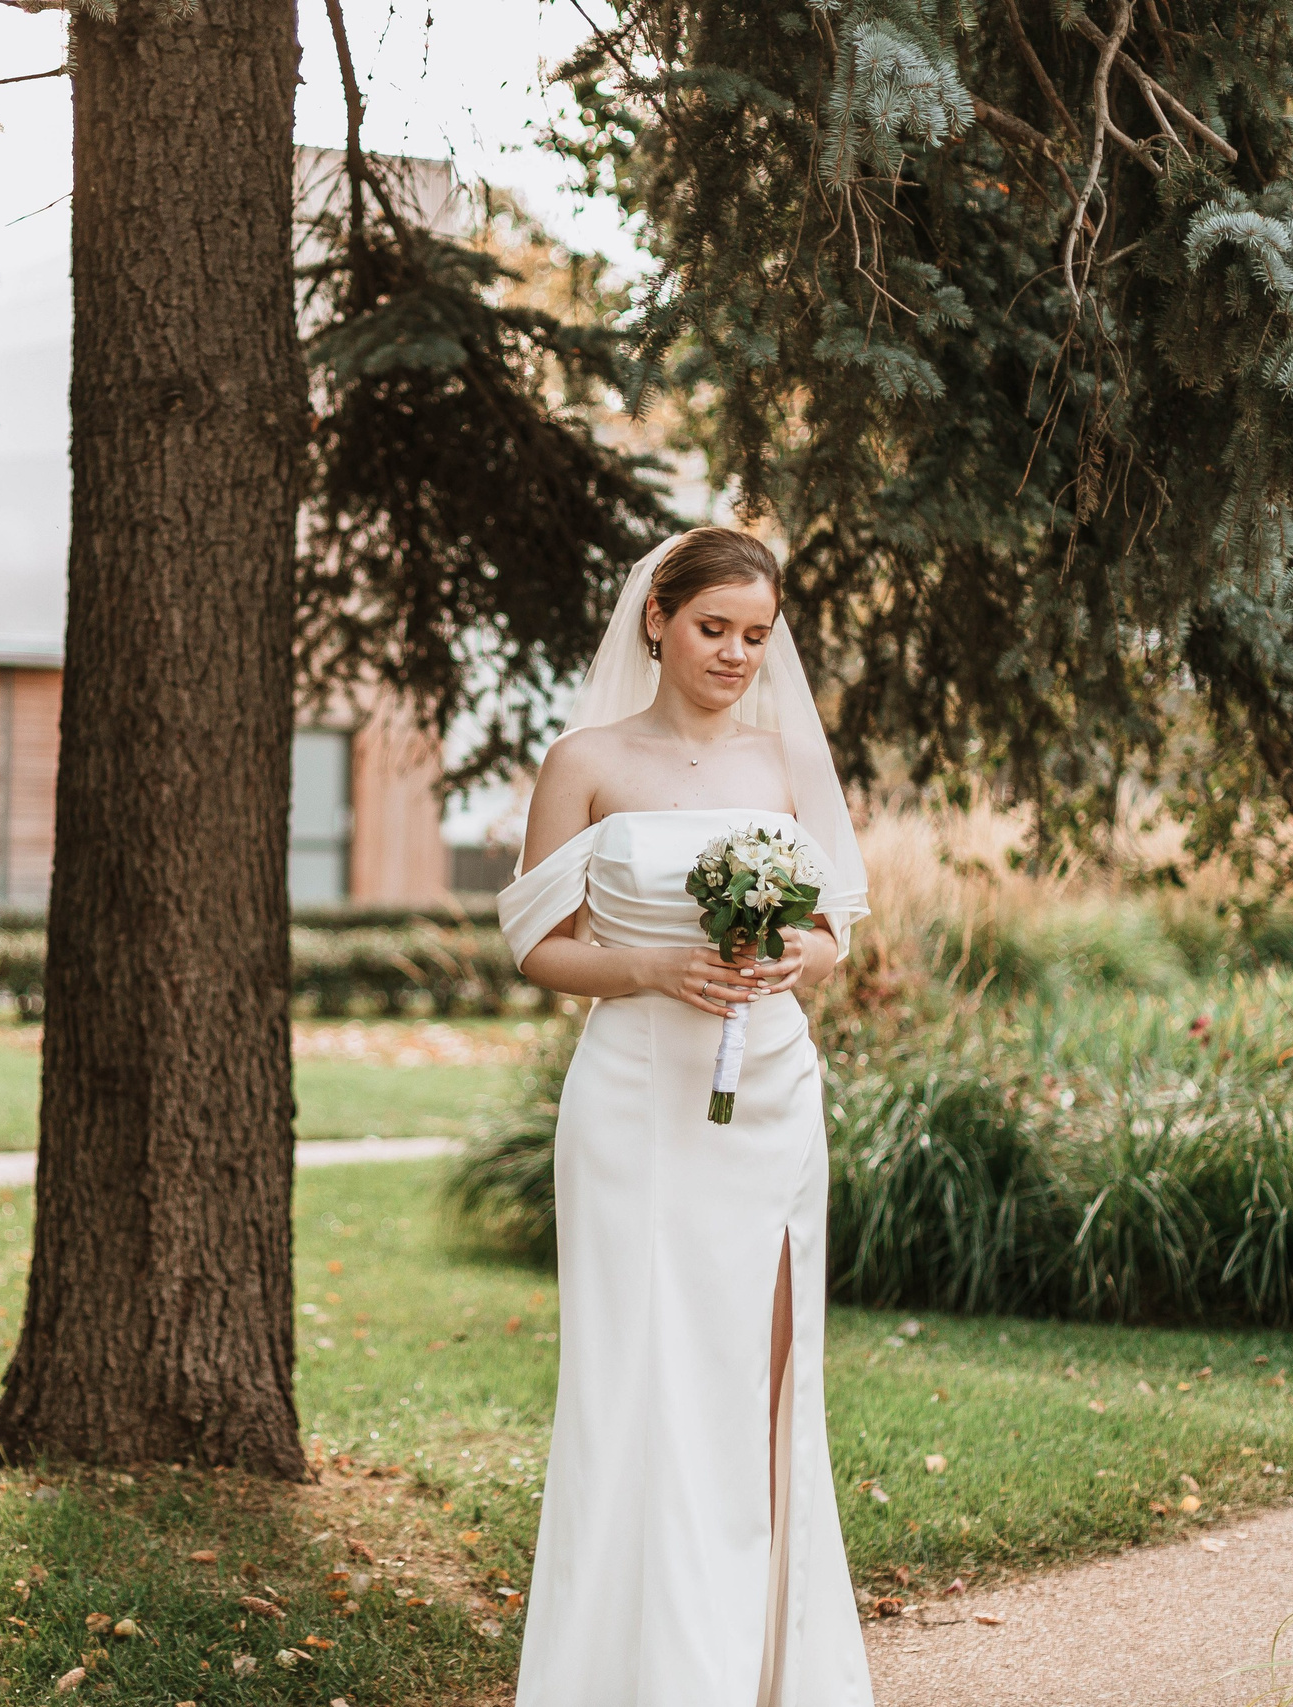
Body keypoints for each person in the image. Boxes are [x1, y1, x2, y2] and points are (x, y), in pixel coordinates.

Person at [497, 527, 873, 1707]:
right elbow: (533, 948)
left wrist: (785, 956)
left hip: (766, 1090)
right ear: (657, 617)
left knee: (759, 1376)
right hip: (632, 1105)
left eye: (757, 637)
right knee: (638, 1375)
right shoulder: (587, 761)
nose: (735, 654)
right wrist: (653, 968)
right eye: (714, 629)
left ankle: (764, 1671)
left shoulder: (782, 763)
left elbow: (834, 929)